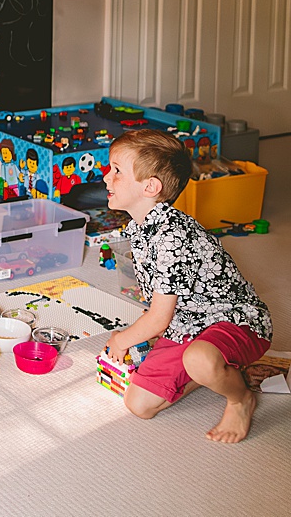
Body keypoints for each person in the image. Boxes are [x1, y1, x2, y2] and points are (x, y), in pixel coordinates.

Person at [101, 128, 271, 442]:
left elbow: (158, 318)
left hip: (234, 321)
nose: (106, 178)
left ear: (150, 187)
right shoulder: (141, 225)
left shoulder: (172, 236)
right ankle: (209, 372)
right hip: (187, 325)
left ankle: (240, 398)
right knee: (138, 404)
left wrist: (122, 338)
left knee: (199, 359)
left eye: (116, 171)